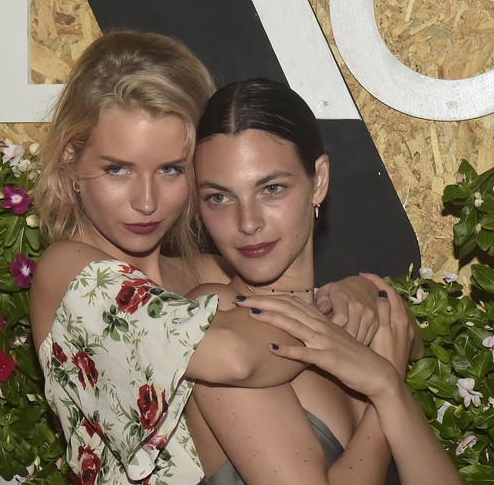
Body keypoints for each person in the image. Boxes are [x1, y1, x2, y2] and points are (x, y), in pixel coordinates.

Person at [29, 31, 386, 484]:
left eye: (170, 169)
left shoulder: (208, 269)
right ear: (70, 161)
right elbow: (234, 357)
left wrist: (362, 294)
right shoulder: (67, 273)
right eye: (117, 169)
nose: (146, 201)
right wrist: (337, 318)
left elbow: (384, 327)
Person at [186, 78, 462, 485]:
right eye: (219, 197)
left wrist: (388, 386)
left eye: (271, 189)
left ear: (318, 181)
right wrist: (385, 384)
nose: (247, 222)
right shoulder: (216, 316)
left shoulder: (353, 318)